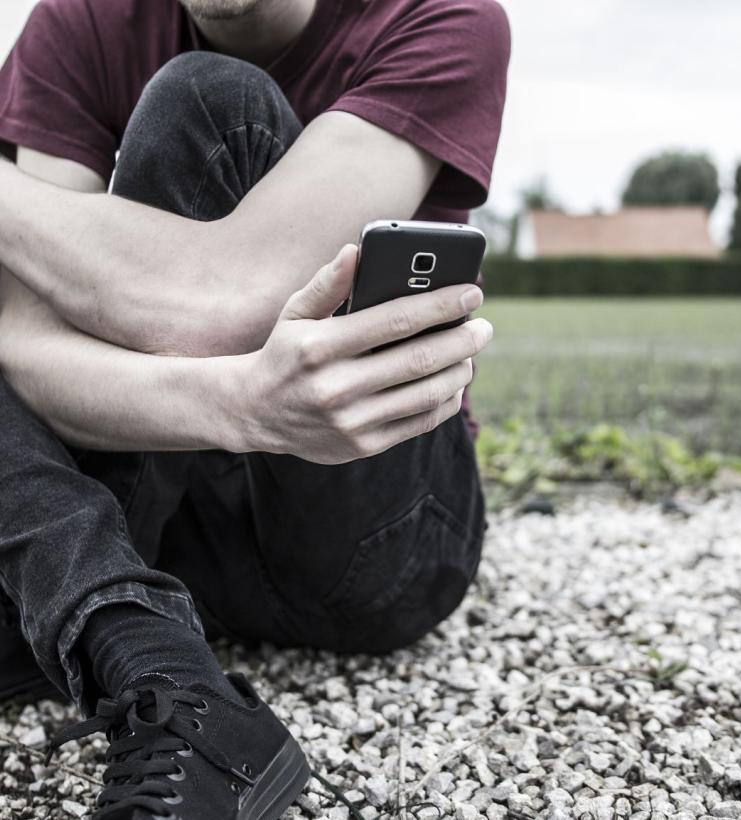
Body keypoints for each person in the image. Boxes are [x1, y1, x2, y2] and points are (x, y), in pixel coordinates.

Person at [0, 0, 510, 816]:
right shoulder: (81, 21)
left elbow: (213, 302)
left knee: (207, 100)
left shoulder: (441, 17)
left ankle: (64, 585)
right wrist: (239, 404)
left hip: (366, 538)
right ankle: (141, 647)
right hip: (163, 533)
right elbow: (23, 351)